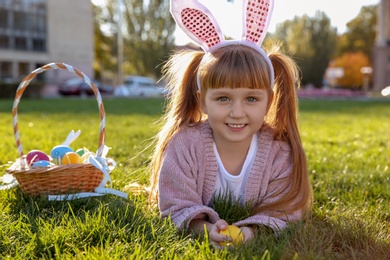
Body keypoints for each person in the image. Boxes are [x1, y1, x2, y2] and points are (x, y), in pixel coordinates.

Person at [147, 0, 313, 246]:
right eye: (223, 98)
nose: (237, 112)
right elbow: (176, 205)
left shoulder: (279, 153)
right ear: (202, 101)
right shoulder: (184, 146)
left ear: (268, 103)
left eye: (251, 99)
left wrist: (251, 233)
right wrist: (204, 228)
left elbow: (286, 210)